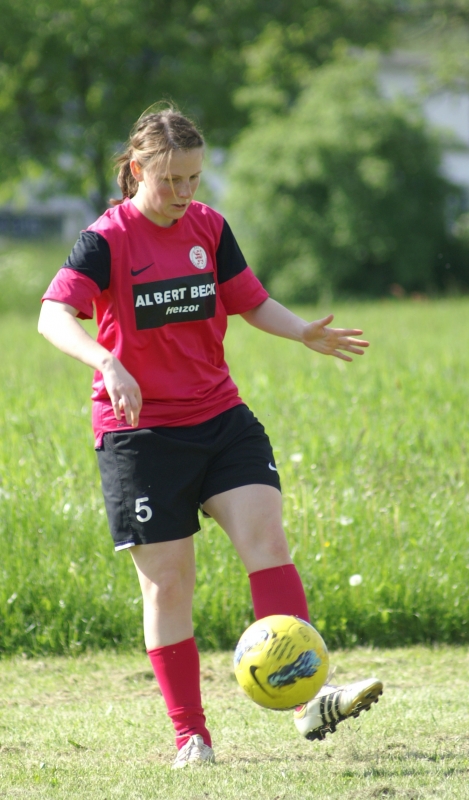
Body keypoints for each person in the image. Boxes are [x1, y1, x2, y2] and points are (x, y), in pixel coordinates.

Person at [38, 106, 383, 769]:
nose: (183, 194)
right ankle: (190, 736)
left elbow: (247, 299)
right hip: (140, 436)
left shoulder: (208, 227)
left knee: (267, 539)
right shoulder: (105, 240)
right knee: (169, 586)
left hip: (220, 418)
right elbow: (54, 314)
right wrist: (105, 361)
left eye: (194, 178)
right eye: (170, 179)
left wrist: (302, 330)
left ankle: (307, 698)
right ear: (137, 169)